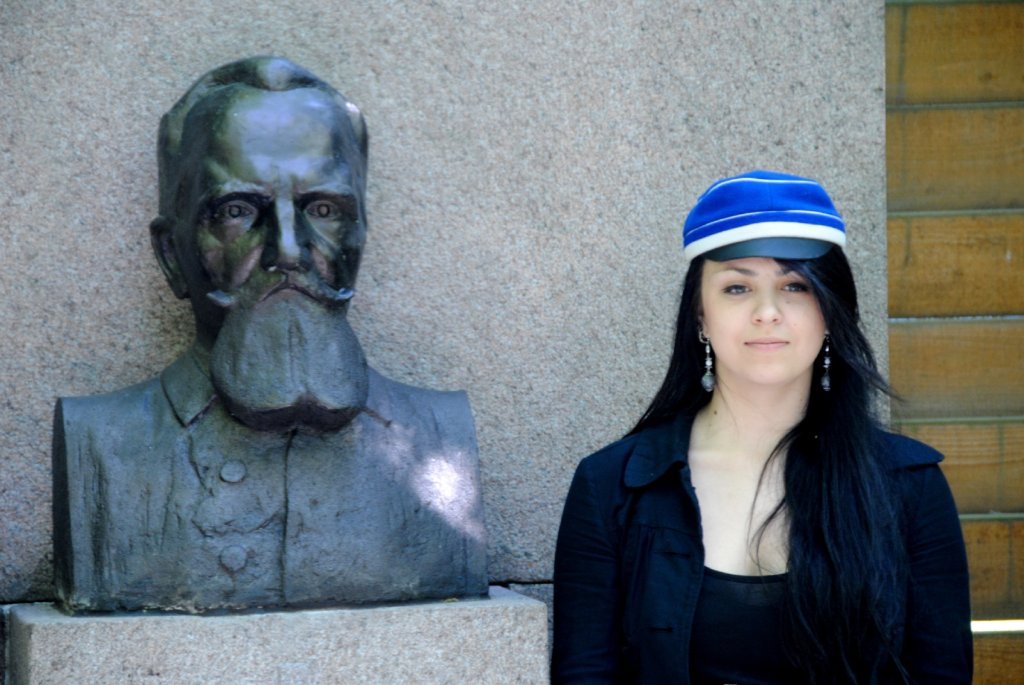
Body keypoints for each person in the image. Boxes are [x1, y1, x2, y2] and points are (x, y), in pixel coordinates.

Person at [52, 57, 487, 613]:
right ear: (170, 255)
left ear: (360, 234)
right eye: (236, 210)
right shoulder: (99, 447)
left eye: (323, 209)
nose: (288, 249)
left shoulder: (441, 439)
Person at [551, 170, 972, 684]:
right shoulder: (611, 486)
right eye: (737, 287)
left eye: (795, 286)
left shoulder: (910, 486)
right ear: (700, 315)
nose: (767, 312)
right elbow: (585, 672)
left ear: (831, 313)